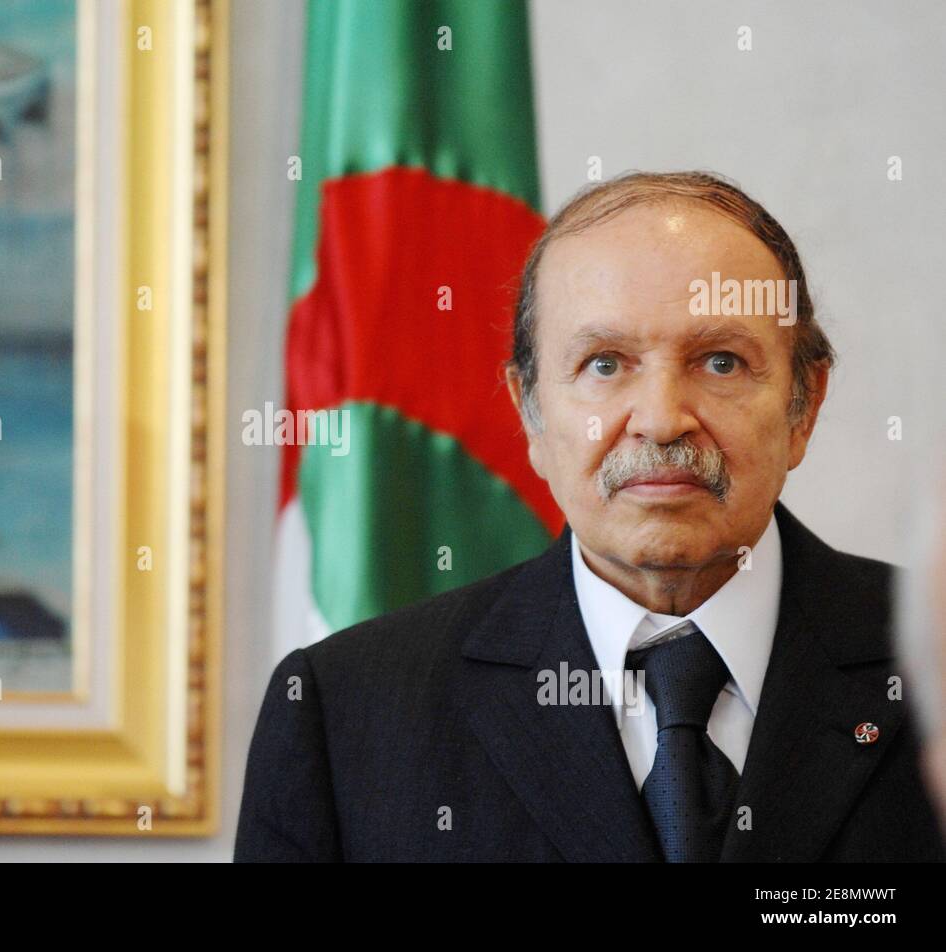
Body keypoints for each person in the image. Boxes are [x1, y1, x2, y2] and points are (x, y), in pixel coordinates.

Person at [235, 171, 946, 862]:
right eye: (604, 364)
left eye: (722, 362)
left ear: (804, 404)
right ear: (530, 413)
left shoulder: (931, 664)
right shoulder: (344, 711)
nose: (663, 420)